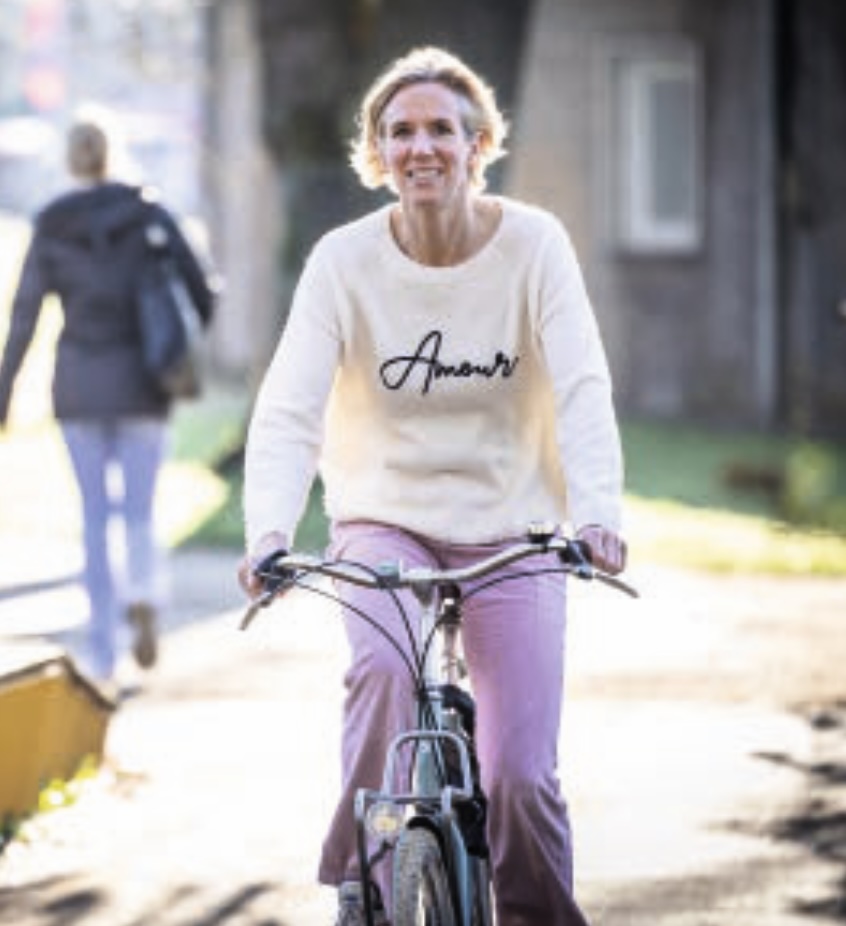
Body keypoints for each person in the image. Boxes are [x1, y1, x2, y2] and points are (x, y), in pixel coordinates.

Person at [239, 46, 626, 926]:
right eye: (400, 131)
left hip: (514, 531)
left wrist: (597, 515)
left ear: (478, 144)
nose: (421, 147)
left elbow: (581, 388)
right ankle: (369, 886)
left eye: (442, 130)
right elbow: (290, 407)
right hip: (385, 521)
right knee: (380, 673)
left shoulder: (535, 246)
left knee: (519, 773)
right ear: (376, 154)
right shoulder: (342, 261)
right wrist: (269, 532)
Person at [0, 111, 217, 687]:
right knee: (140, 511)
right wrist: (182, 343)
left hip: (79, 386)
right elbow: (201, 288)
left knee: (95, 519)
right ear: (111, 154)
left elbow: (23, 316)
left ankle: (103, 653)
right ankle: (143, 592)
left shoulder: (51, 223)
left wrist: (4, 392)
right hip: (145, 383)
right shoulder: (148, 213)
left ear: (70, 161)